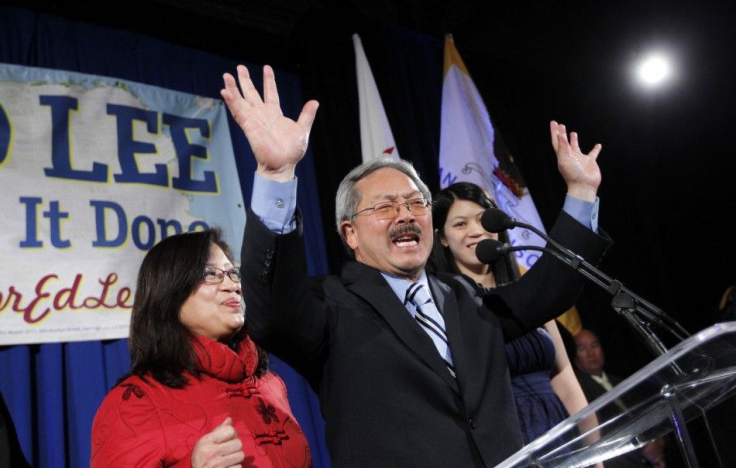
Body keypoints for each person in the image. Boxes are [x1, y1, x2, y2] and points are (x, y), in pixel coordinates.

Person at [221, 63, 611, 467]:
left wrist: (581, 193)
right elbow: (270, 315)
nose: (404, 215)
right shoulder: (330, 307)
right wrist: (276, 174)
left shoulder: (467, 298)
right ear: (350, 234)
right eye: (385, 207)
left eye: (414, 204)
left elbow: (549, 290)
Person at [90, 228, 312, 468]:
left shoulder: (271, 384)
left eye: (233, 273)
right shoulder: (135, 402)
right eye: (210, 273)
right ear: (169, 293)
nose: (232, 285)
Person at [428, 181, 594, 445]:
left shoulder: (528, 295)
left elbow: (565, 380)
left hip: (562, 435)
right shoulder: (445, 306)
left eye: (483, 220)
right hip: (507, 443)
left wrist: (594, 451)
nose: (476, 231)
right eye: (460, 224)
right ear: (442, 238)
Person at [574, 328, 667, 467]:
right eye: (582, 348)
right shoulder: (579, 393)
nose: (591, 353)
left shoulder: (623, 383)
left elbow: (649, 413)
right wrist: (642, 446)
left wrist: (658, 440)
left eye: (594, 345)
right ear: (575, 358)